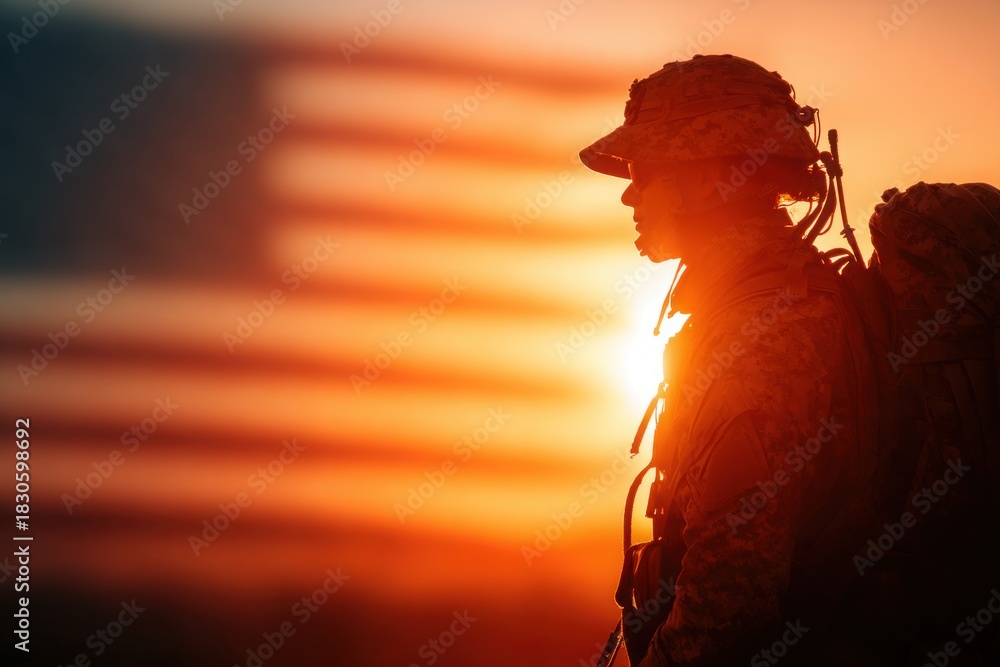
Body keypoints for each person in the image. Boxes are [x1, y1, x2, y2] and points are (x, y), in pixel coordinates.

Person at [579, 54, 908, 665]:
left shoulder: (761, 336)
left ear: (710, 179)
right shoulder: (772, 303)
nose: (629, 194)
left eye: (645, 170)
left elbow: (730, 607)